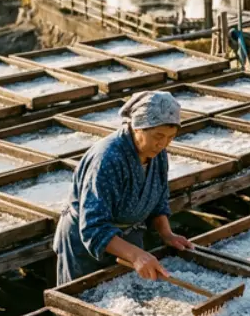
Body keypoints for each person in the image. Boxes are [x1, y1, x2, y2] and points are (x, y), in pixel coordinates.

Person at [53, 90, 192, 285]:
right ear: (137, 128)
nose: (163, 143)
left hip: (128, 235)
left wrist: (167, 234)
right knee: (88, 301)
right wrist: (135, 255)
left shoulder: (157, 153)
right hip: (86, 245)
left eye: (171, 137)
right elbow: (94, 227)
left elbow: (158, 198)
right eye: (158, 135)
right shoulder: (108, 158)